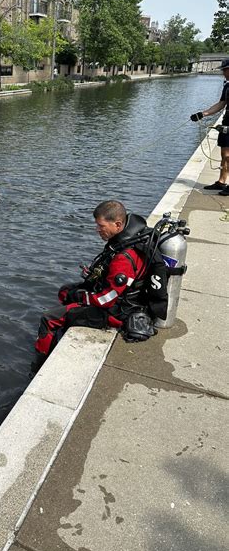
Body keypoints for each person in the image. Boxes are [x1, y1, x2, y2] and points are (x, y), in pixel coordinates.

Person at [35, 200, 167, 358]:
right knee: (64, 292)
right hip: (122, 297)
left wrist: (82, 297)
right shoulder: (131, 240)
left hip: (117, 311)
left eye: (101, 226)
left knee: (48, 319)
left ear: (118, 225)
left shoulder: (123, 258)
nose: (97, 230)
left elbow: (107, 299)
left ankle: (40, 360)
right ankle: (65, 326)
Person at [190, 57, 229, 196]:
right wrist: (203, 113)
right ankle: (222, 181)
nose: (223, 73)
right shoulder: (227, 86)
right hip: (227, 123)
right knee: (225, 154)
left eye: (225, 70)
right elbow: (221, 104)